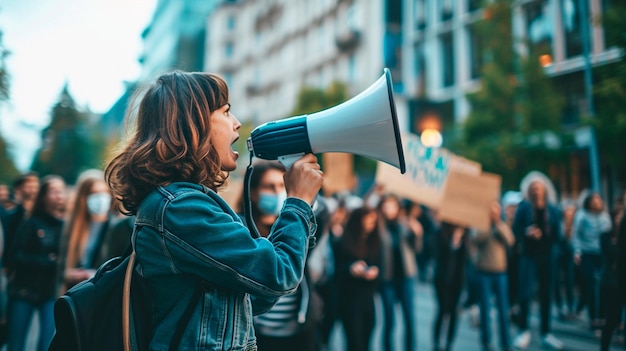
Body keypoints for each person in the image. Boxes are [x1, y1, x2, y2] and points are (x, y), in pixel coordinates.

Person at [104, 70, 323, 350]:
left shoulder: (188, 203)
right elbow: (277, 276)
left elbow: (255, 296)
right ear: (193, 124)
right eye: (226, 112)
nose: (237, 124)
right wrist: (298, 202)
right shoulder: (180, 207)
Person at [239, 160, 323, 351]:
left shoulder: (300, 228)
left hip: (296, 333)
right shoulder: (239, 230)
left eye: (282, 186)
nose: (277, 193)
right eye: (269, 187)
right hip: (255, 335)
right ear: (252, 191)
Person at [6, 175, 66, 351]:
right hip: (24, 290)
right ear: (44, 195)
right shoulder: (31, 222)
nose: (60, 195)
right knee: (16, 343)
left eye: (61, 191)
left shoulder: (66, 225)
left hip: (50, 291)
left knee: (47, 343)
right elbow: (15, 256)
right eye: (54, 191)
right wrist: (46, 261)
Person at [512, 171, 563, 350]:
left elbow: (558, 235)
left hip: (547, 256)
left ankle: (546, 332)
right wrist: (527, 233)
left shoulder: (552, 209)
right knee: (525, 293)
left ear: (545, 189)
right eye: (533, 188)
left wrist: (546, 235)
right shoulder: (524, 208)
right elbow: (515, 230)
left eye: (539, 188)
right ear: (528, 190)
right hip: (528, 256)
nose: (536, 191)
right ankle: (523, 330)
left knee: (546, 295)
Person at [57, 169, 121, 292]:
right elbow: (59, 263)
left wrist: (93, 274)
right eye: (94, 193)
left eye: (105, 192)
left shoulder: (117, 227)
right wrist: (67, 274)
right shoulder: (71, 227)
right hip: (75, 291)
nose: (101, 198)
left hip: (102, 292)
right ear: (83, 197)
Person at [334, 206, 382, 351]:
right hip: (349, 300)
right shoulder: (342, 242)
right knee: (354, 342)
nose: (369, 226)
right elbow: (335, 272)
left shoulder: (375, 242)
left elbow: (381, 267)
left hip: (368, 299)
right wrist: (350, 269)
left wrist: (374, 272)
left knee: (367, 338)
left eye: (373, 222)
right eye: (366, 222)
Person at [377, 194, 421, 351]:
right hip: (387, 279)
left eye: (392, 206)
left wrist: (417, 233)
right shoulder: (378, 226)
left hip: (405, 277)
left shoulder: (404, 225)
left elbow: (416, 249)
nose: (389, 209)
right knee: (389, 320)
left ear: (397, 208)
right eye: (386, 205)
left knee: (409, 318)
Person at [471, 200, 515, 351]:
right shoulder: (481, 225)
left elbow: (510, 240)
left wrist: (497, 224)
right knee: (485, 309)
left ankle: (505, 341)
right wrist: (488, 225)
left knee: (503, 309)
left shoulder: (502, 225)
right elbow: (477, 239)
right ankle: (486, 341)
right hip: (483, 271)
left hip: (500, 272)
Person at [572, 192, 612, 331]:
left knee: (602, 286)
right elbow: (576, 234)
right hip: (587, 253)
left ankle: (601, 316)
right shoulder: (582, 216)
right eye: (593, 200)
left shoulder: (605, 217)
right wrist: (577, 251)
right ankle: (593, 317)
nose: (595, 203)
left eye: (598, 200)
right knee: (590, 285)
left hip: (602, 254)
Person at [432, 221, 468, 351]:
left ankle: (449, 343)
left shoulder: (465, 235)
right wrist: (452, 243)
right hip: (442, 279)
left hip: (457, 280)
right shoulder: (440, 232)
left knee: (454, 312)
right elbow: (439, 255)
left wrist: (461, 240)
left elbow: (466, 258)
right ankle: (436, 342)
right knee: (442, 310)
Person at [599, 207, 625, 350]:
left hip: (618, 279)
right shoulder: (606, 236)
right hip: (615, 282)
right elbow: (613, 255)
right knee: (612, 319)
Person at [554, 201, 577, 320]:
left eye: (571, 211)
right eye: (567, 210)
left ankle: (570, 306)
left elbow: (576, 240)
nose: (569, 213)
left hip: (570, 254)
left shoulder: (576, 223)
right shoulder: (559, 222)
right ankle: (560, 306)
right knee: (557, 280)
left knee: (569, 280)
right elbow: (557, 237)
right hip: (559, 253)